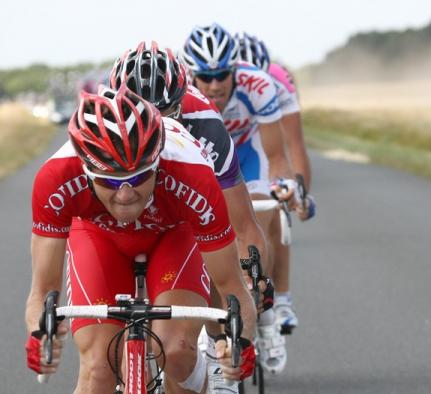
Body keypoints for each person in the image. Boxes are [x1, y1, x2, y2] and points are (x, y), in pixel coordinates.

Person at [24, 86, 256, 394]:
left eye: (138, 177)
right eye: (109, 180)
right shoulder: (56, 177)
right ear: (86, 169)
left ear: (157, 162)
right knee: (97, 368)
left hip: (173, 234)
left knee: (176, 350)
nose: (125, 194)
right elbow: (41, 292)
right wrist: (42, 337)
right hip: (99, 236)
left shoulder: (193, 174)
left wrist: (239, 343)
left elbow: (233, 291)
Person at [109, 41, 273, 392]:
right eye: (138, 113)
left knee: (217, 248)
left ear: (182, 101)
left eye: (165, 114)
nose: (152, 127)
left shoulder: (206, 126)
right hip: (122, 225)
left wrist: (253, 277)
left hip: (181, 218)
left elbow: (242, 225)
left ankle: (214, 351)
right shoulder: (100, 125)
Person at [181, 23, 298, 375]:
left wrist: (284, 187)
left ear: (234, 70)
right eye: (206, 76)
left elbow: (277, 155)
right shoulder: (182, 94)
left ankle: (264, 309)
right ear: (191, 74)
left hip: (245, 156)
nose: (215, 84)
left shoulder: (258, 86)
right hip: (204, 160)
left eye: (222, 74)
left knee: (263, 210)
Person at [235, 32, 317, 336]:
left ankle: (280, 299)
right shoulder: (212, 84)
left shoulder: (278, 81)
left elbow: (294, 144)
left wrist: (300, 194)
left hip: (260, 142)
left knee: (271, 213)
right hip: (226, 144)